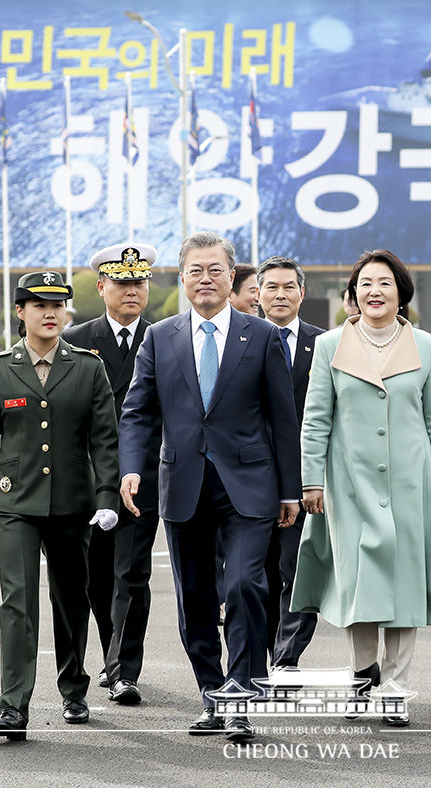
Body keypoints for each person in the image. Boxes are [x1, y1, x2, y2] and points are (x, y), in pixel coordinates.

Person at [118, 232, 301, 744]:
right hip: (182, 484)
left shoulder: (260, 335)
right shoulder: (160, 337)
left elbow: (283, 420)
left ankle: (241, 695)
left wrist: (291, 490)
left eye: (215, 270)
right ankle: (213, 694)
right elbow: (137, 411)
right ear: (182, 278)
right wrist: (131, 467)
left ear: (231, 277)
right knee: (194, 596)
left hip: (250, 484)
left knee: (245, 584)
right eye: (196, 270)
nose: (205, 279)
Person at [292, 249, 431, 728]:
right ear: (353, 294)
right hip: (349, 485)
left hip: (411, 484)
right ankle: (362, 678)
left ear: (401, 293)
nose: (374, 291)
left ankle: (397, 687)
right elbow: (316, 418)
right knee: (358, 585)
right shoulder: (330, 346)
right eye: (365, 283)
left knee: (406, 586)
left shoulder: (426, 346)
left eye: (384, 283)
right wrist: (312, 479)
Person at [0, 271, 121, 741]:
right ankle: (13, 706)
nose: (50, 314)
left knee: (71, 599)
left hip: (72, 501)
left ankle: (73, 688)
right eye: (39, 305)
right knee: (17, 601)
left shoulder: (89, 368)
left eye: (58, 306)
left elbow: (105, 440)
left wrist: (106, 495)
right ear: (20, 312)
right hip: (13, 501)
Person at [63, 243, 161, 706]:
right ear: (101, 287)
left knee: (132, 572)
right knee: (95, 576)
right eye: (121, 283)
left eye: (138, 282)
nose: (131, 291)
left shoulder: (166, 338)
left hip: (144, 474)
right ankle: (110, 654)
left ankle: (124, 669)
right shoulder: (77, 340)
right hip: (90, 478)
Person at [256, 255, 324, 669]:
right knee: (254, 576)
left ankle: (286, 658)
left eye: (289, 287)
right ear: (257, 294)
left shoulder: (327, 344)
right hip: (252, 477)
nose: (280, 294)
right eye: (271, 287)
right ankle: (262, 656)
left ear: (302, 292)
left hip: (308, 478)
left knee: (300, 572)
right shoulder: (239, 340)